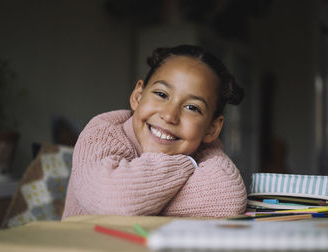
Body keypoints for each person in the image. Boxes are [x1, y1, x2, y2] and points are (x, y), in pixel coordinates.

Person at [62, 44, 247, 219]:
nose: (169, 115)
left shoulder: (205, 149)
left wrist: (144, 202)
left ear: (211, 129)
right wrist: (187, 163)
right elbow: (116, 200)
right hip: (81, 251)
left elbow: (228, 195)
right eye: (161, 94)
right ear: (138, 96)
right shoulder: (102, 132)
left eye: (192, 107)